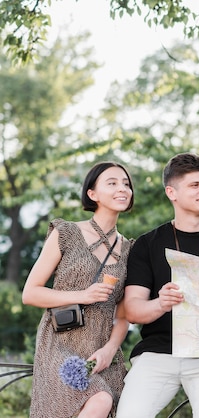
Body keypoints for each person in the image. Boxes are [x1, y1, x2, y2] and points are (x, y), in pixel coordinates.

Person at [116, 153, 199, 418]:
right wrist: (160, 302)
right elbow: (132, 310)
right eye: (195, 185)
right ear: (171, 192)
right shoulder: (148, 243)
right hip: (158, 352)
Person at [22, 161, 135, 418]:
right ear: (92, 194)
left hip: (102, 349)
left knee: (106, 403)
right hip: (60, 344)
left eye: (126, 184)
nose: (123, 189)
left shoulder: (130, 249)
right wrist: (83, 295)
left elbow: (124, 313)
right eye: (112, 183)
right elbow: (30, 293)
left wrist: (109, 350)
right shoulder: (66, 233)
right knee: (100, 399)